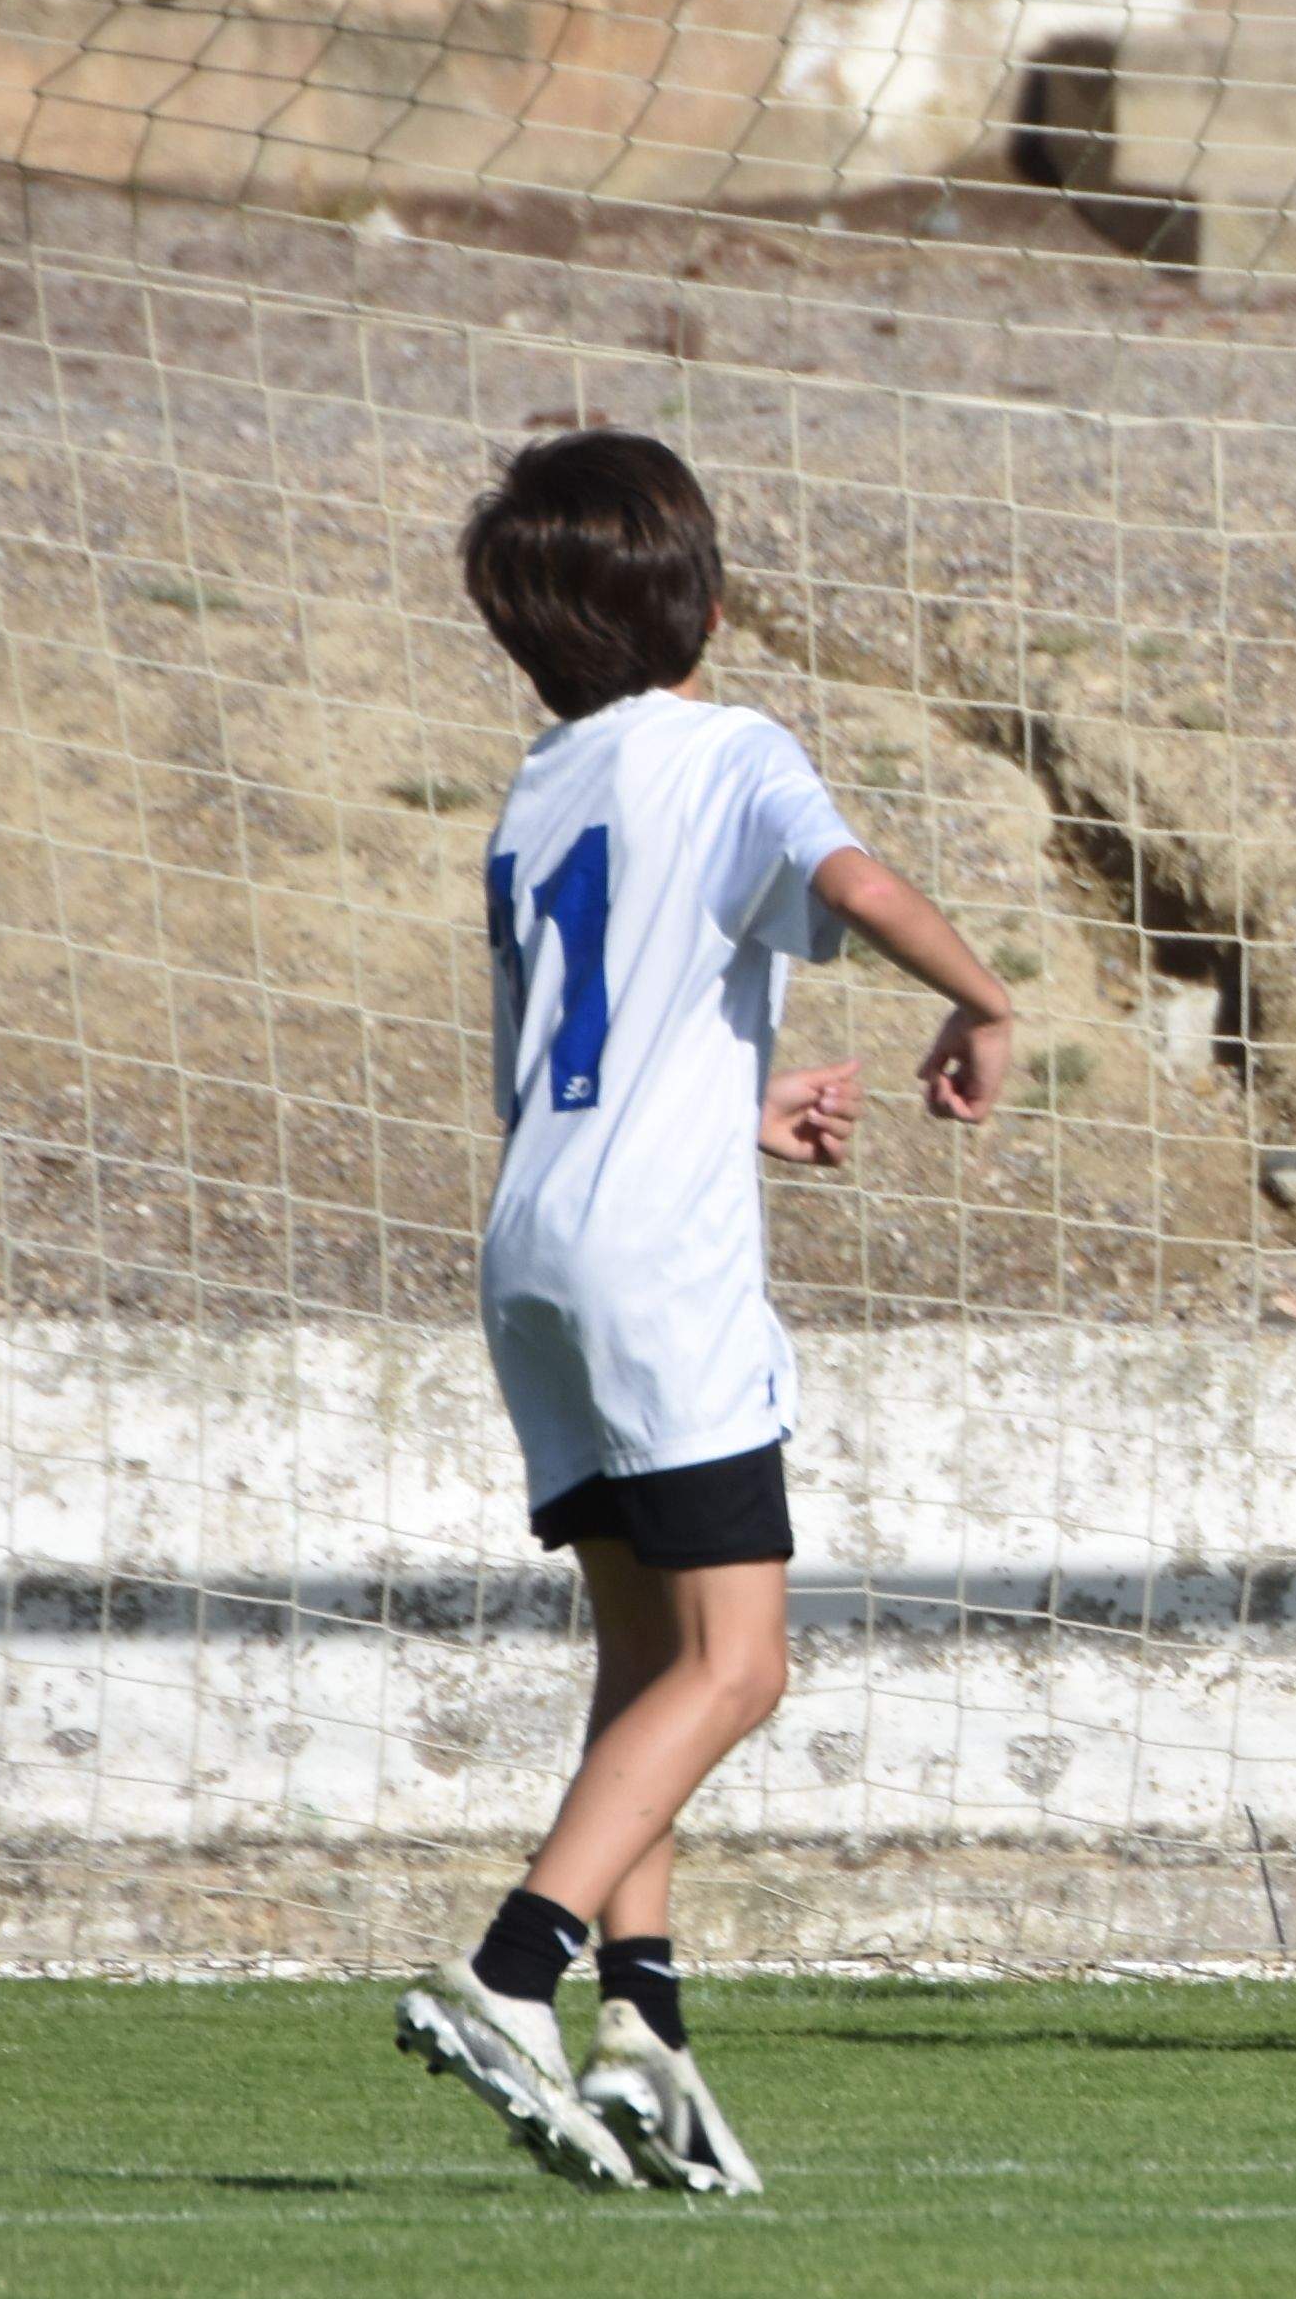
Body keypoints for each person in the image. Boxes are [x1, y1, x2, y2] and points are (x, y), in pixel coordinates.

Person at [395, 429, 1019, 2192]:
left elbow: (581, 1040)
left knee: (644, 1655)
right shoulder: (733, 745)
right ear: (709, 605)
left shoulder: (540, 783)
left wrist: (736, 1104)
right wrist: (982, 998)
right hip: (660, 1268)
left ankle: (642, 2017)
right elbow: (854, 883)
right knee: (739, 1664)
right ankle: (515, 1973)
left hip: (532, 1241)